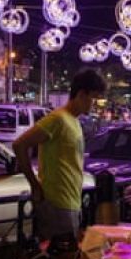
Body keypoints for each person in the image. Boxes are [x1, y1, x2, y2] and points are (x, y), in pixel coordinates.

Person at [13, 69, 107, 243]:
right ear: (81, 94)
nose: (94, 104)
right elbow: (19, 144)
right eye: (93, 98)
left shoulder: (75, 121)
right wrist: (34, 184)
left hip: (72, 202)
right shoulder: (57, 119)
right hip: (56, 204)